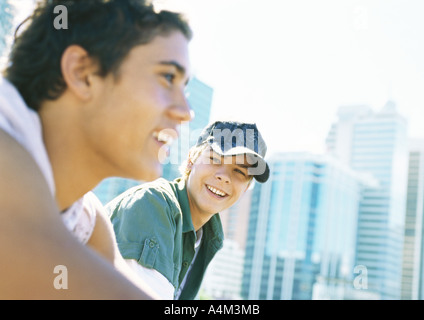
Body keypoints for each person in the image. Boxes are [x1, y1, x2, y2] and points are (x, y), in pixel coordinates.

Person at [0, 0, 193, 299]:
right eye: (167, 77)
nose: (185, 111)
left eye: (185, 87)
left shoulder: (83, 218)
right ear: (82, 72)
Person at [107, 120, 270, 299]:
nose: (224, 177)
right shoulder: (152, 205)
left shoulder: (208, 236)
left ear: (246, 188)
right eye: (215, 159)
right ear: (192, 159)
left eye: (239, 171)